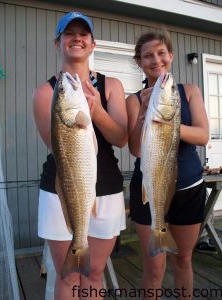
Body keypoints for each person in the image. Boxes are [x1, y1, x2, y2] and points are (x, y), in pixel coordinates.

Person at [33, 12, 127, 300]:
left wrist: (96, 112)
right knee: (69, 275)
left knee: (94, 272)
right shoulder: (45, 94)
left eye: (83, 33)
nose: (76, 38)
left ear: (92, 43)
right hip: (61, 191)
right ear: (57, 43)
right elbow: (59, 150)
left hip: (107, 189)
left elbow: (122, 139)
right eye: (68, 33)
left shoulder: (111, 86)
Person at [126, 30, 209, 300]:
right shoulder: (134, 100)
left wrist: (167, 121)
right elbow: (136, 149)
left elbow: (202, 135)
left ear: (171, 56)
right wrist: (143, 113)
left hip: (189, 187)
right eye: (148, 55)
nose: (156, 59)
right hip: (148, 187)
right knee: (154, 266)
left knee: (183, 259)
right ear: (139, 61)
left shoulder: (189, 92)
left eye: (161, 53)